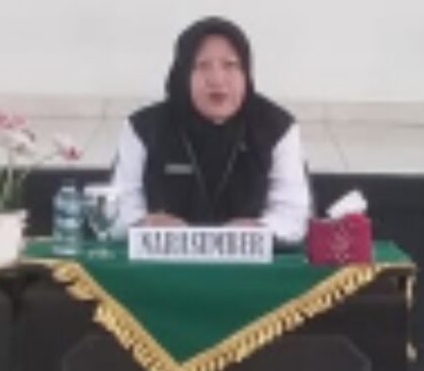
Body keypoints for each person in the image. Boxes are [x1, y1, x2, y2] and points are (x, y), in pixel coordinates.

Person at [110, 16, 312, 244]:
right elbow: (119, 210)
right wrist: (144, 224)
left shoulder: (277, 128)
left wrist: (260, 230)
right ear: (183, 73)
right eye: (203, 66)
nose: (217, 80)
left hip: (249, 261)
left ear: (246, 72)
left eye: (230, 65)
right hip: (161, 259)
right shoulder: (143, 128)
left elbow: (293, 215)